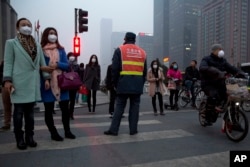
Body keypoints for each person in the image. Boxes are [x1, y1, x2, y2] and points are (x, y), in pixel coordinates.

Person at [3, 18, 50, 150]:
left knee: (30, 114)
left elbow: (42, 64)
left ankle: (30, 136)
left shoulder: (37, 45)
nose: (27, 27)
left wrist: (46, 78)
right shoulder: (11, 43)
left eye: (29, 25)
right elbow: (8, 63)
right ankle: (19, 138)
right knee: (18, 112)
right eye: (23, 25)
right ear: (17, 28)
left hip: (32, 84)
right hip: (18, 83)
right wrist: (7, 80)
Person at [104, 32, 147, 136]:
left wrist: (115, 83)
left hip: (123, 83)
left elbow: (114, 68)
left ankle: (114, 130)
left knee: (119, 107)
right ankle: (133, 130)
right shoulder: (142, 52)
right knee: (135, 108)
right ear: (135, 40)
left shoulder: (120, 50)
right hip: (137, 84)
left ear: (125, 39)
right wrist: (141, 82)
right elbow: (144, 71)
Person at [40, 27, 75, 141]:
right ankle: (53, 133)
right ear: (46, 35)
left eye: (54, 33)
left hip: (61, 82)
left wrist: (57, 64)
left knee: (65, 109)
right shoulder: (40, 50)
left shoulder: (61, 49)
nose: (53, 35)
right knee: (49, 110)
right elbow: (39, 67)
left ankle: (67, 131)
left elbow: (67, 66)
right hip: (47, 83)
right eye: (50, 33)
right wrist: (46, 74)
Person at [199, 44, 243, 125]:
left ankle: (234, 123)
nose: (221, 51)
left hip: (221, 84)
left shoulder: (223, 61)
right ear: (214, 51)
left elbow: (231, 68)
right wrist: (216, 72)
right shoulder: (206, 59)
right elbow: (202, 68)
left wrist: (240, 73)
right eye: (219, 49)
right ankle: (207, 118)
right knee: (213, 96)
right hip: (208, 84)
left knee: (233, 98)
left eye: (221, 49)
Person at [67, 52, 80, 120]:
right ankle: (67, 113)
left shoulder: (77, 66)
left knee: (72, 100)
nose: (71, 57)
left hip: (74, 85)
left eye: (73, 56)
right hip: (67, 85)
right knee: (66, 100)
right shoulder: (66, 65)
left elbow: (78, 75)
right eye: (70, 56)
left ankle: (71, 113)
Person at [0, 60, 12, 131]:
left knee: (19, 107)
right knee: (7, 106)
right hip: (5, 85)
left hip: (17, 85)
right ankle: (7, 124)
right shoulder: (5, 62)